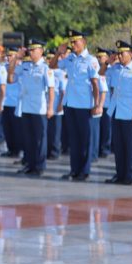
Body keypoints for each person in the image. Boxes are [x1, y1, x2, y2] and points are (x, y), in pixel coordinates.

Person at [50, 29, 100, 181]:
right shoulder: (70, 58)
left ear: (83, 42)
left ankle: (84, 171)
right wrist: (59, 53)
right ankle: (74, 169)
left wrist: (96, 104)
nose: (73, 44)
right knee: (74, 139)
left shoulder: (91, 60)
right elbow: (52, 66)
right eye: (71, 42)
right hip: (70, 104)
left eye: (75, 41)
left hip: (84, 105)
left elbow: (95, 84)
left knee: (85, 139)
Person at [8, 39, 54, 176]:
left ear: (41, 51)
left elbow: (51, 89)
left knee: (39, 139)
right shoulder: (25, 65)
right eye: (30, 50)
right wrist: (16, 57)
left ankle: (39, 166)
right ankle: (29, 164)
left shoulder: (46, 68)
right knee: (28, 139)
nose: (31, 52)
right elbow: (10, 78)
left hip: (39, 109)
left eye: (34, 50)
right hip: (26, 107)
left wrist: (50, 107)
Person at [105, 40, 132, 185]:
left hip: (129, 113)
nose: (119, 56)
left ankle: (128, 175)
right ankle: (119, 174)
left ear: (131, 54)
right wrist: (108, 62)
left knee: (129, 146)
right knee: (119, 146)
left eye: (122, 53)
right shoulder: (115, 69)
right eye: (118, 53)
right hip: (116, 112)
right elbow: (101, 73)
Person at [2, 46, 24, 159]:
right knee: (7, 129)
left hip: (16, 103)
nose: (8, 57)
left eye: (11, 55)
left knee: (17, 130)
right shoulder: (4, 67)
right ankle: (11, 149)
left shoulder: (20, 68)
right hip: (5, 102)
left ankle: (18, 149)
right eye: (8, 55)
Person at [46, 49, 66, 159]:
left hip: (56, 106)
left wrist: (60, 105)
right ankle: (48, 151)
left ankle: (54, 152)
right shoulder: (47, 72)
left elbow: (63, 91)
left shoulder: (61, 73)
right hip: (47, 106)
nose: (49, 60)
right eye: (48, 58)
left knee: (55, 132)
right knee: (48, 131)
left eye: (51, 58)